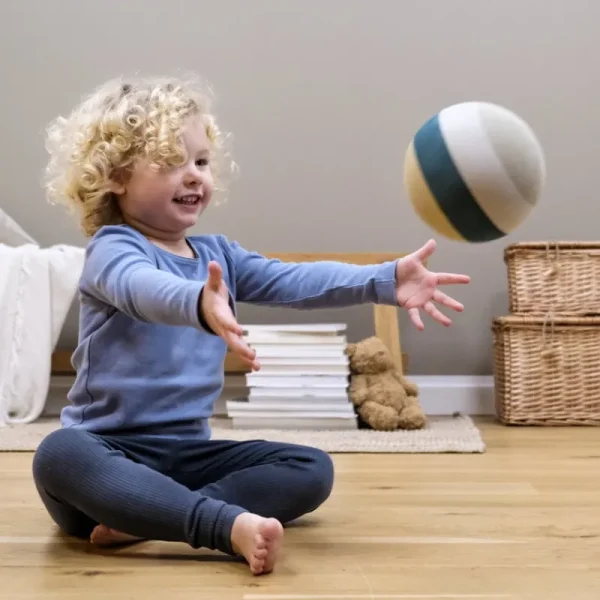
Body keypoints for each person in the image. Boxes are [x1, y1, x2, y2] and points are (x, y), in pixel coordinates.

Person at [32, 74, 470, 576]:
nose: (194, 175)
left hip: (188, 457)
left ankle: (155, 515)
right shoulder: (113, 248)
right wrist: (198, 301)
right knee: (56, 453)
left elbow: (294, 281)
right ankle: (215, 523)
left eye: (200, 161)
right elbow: (140, 288)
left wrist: (382, 280)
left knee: (312, 468)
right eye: (173, 163)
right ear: (115, 176)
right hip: (106, 455)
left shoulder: (218, 256)